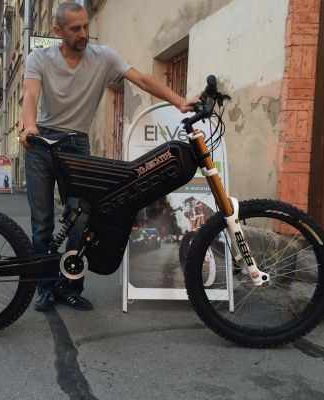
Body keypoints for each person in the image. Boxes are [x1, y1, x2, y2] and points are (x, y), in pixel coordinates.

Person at [19, 1, 195, 312]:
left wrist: (178, 101)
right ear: (58, 31)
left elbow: (142, 79)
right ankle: (45, 288)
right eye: (75, 29)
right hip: (42, 140)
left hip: (76, 142)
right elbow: (30, 94)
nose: (83, 33)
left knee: (81, 220)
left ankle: (71, 286)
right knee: (42, 223)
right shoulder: (39, 58)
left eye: (86, 26)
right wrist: (29, 125)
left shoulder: (103, 57)